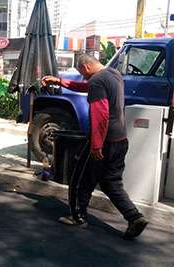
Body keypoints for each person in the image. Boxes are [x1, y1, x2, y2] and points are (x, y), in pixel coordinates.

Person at [41, 54, 148, 239]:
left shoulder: (96, 81)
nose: (83, 77)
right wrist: (59, 81)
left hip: (103, 141)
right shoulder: (113, 74)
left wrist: (96, 145)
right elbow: (87, 86)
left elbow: (101, 114)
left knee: (79, 179)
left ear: (86, 67)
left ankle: (79, 217)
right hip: (120, 139)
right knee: (110, 182)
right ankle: (135, 217)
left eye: (82, 72)